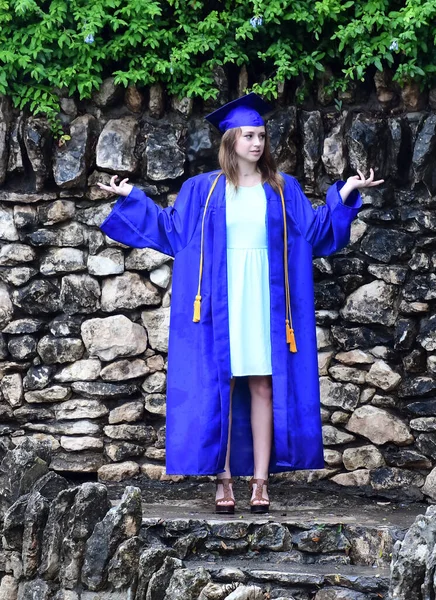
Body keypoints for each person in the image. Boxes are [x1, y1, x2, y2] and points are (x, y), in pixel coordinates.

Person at [98, 93, 383, 515]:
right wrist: (132, 198)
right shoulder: (202, 189)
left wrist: (345, 193)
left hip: (265, 300)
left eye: (261, 135)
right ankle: (225, 479)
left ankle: (261, 483)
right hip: (220, 300)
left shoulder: (282, 189)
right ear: (230, 140)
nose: (256, 143)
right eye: (248, 135)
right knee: (223, 386)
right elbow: (172, 230)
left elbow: (315, 231)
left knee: (264, 385)